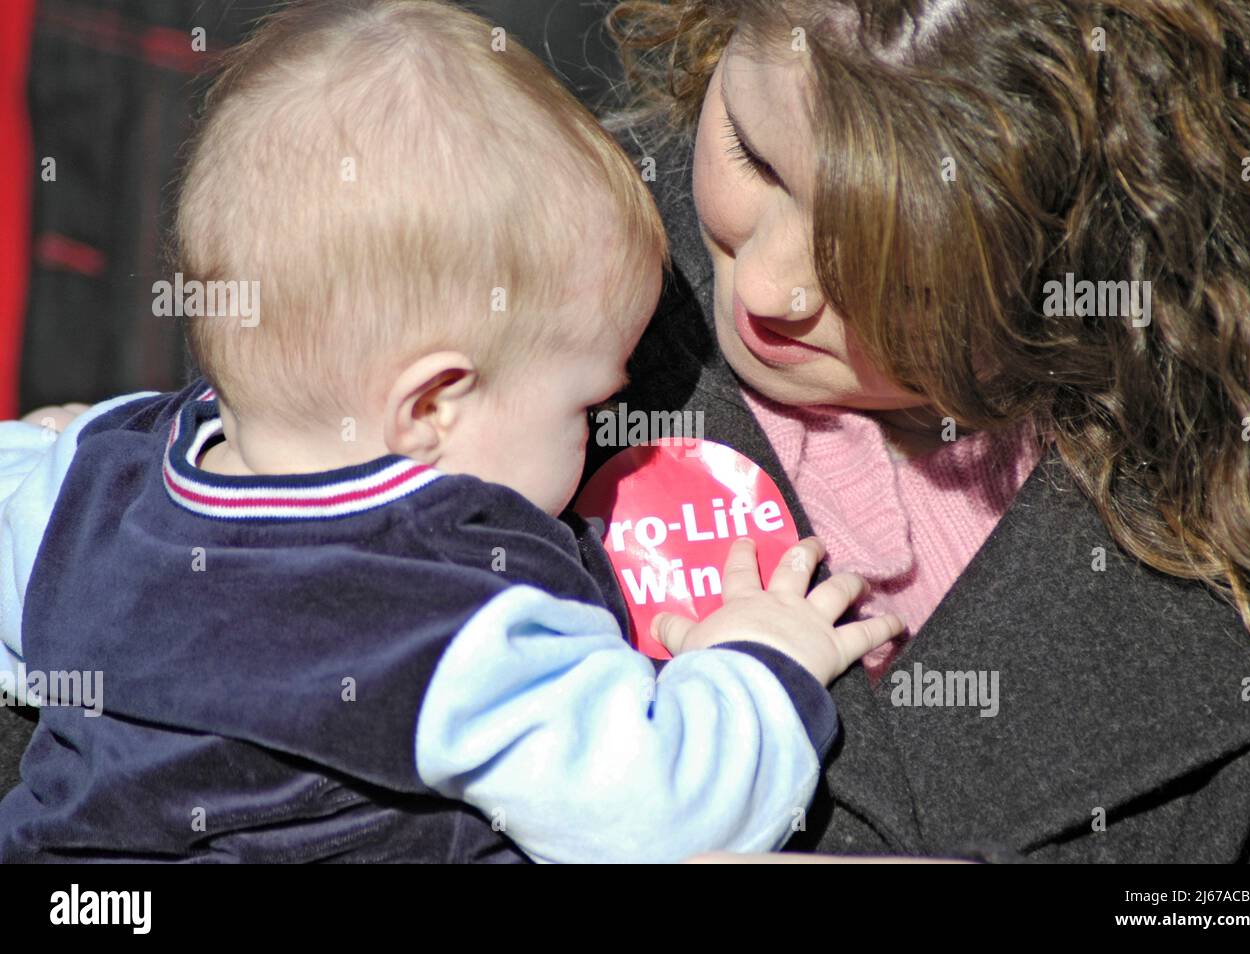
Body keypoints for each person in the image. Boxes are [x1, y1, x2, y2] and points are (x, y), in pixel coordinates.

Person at [0, 0, 903, 863]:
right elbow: (649, 814)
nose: (596, 439)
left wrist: (54, 442)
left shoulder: (99, 477)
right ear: (433, 404)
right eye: (584, 406)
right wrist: (757, 663)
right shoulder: (446, 608)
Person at [595, 0, 1250, 861]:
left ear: (1102, 260)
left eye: (894, 267)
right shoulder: (505, 293)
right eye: (754, 155)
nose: (772, 289)